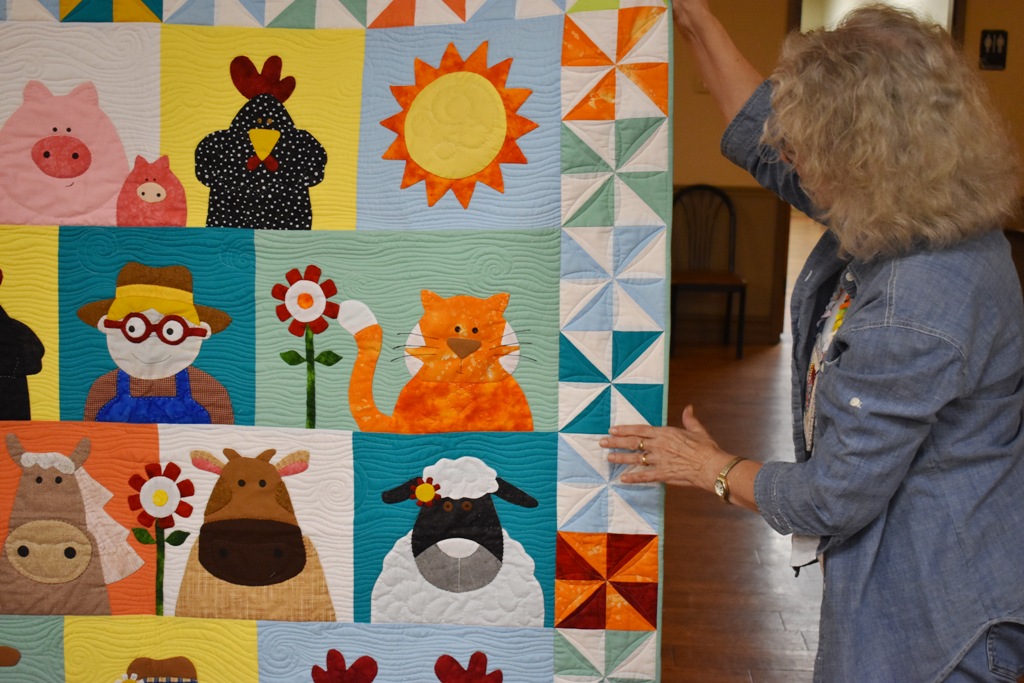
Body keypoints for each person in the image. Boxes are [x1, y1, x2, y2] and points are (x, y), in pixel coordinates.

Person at [602, 1, 1024, 680]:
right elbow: (760, 138)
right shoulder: (919, 201)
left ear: (861, 158)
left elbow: (831, 497)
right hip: (927, 570)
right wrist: (698, 21)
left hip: (940, 614)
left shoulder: (915, 303)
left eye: (803, 147)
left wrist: (706, 466)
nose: (787, 156)